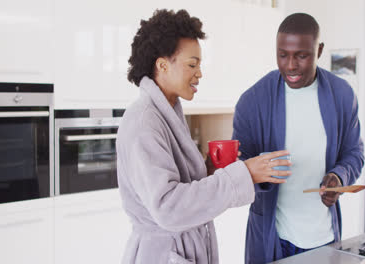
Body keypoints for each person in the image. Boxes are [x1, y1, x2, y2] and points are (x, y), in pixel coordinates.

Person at [116, 9, 291, 264]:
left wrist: (208, 171)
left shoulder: (167, 113)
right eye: (192, 64)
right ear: (162, 65)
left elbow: (178, 188)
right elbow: (168, 207)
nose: (199, 73)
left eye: (199, 65)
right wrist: (244, 174)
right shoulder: (144, 121)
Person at [232, 13, 365, 263]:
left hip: (323, 238)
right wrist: (257, 171)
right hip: (272, 238)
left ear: (319, 50)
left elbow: (354, 153)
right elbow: (239, 169)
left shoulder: (342, 95)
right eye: (283, 54)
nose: (291, 65)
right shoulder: (252, 101)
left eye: (301, 56)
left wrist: (339, 177)